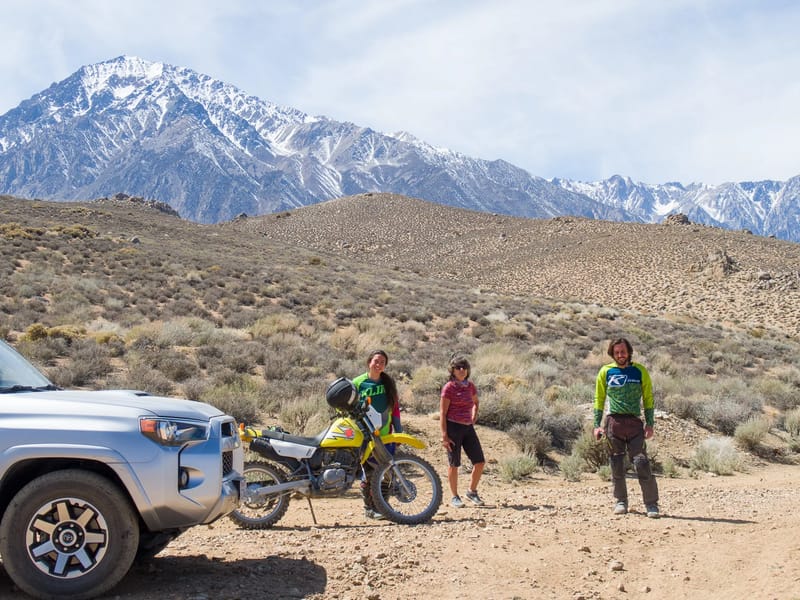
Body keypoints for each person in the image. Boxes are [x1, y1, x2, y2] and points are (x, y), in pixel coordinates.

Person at [593, 337, 660, 518]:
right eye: (616, 353)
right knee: (616, 464)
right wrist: (596, 425)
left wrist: (650, 424)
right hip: (613, 423)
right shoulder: (606, 372)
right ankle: (621, 501)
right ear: (612, 354)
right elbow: (599, 399)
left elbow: (648, 399)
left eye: (623, 352)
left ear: (629, 352)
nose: (620, 355)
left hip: (635, 424)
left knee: (641, 462)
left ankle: (651, 504)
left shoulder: (639, 371)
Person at [352, 349, 402, 520]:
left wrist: (399, 430)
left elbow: (395, 409)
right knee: (369, 472)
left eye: (382, 362)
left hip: (386, 434)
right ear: (369, 362)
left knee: (387, 471)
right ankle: (369, 508)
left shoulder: (388, 383)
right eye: (376, 361)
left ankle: (384, 506)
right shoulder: (358, 382)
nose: (378, 364)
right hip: (365, 435)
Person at [440, 356, 485, 508]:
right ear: (452, 370)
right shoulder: (449, 388)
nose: (461, 370)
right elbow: (442, 412)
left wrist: (474, 413)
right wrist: (444, 435)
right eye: (458, 367)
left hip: (468, 428)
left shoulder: (470, 386)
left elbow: (476, 402)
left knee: (479, 461)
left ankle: (472, 491)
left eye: (464, 367)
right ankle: (454, 496)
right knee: (454, 463)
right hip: (453, 427)